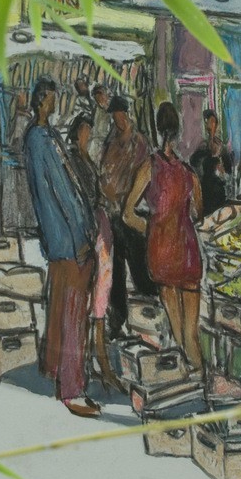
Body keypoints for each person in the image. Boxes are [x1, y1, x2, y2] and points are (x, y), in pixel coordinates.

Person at [22, 78, 99, 418]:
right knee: (73, 313)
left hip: (58, 237)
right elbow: (62, 193)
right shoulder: (41, 139)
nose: (55, 103)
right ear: (42, 100)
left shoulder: (43, 135)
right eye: (52, 98)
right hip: (67, 238)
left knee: (60, 307)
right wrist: (82, 235)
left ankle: (53, 368)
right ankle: (72, 388)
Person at [123, 102, 203, 372]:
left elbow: (127, 214)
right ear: (178, 131)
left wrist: (152, 228)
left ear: (158, 130)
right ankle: (200, 377)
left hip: (163, 253)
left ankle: (185, 381)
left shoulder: (149, 167)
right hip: (188, 252)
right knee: (192, 335)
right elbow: (198, 212)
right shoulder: (189, 173)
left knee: (177, 332)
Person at [67, 114, 122, 391]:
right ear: (77, 132)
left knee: (102, 291)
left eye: (89, 129)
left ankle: (98, 359)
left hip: (100, 228)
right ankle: (97, 361)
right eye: (85, 130)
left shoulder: (86, 159)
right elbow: (83, 198)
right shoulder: (74, 161)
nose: (88, 134)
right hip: (91, 230)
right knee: (96, 294)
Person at [98, 95, 155, 337]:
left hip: (131, 212)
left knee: (140, 269)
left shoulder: (139, 141)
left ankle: (148, 322)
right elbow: (104, 170)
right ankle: (117, 321)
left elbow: (145, 177)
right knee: (117, 270)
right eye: (113, 116)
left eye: (118, 115)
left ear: (125, 113)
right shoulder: (111, 141)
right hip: (113, 212)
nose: (116, 119)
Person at [187, 108, 233, 218]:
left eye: (213, 122)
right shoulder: (202, 147)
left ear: (216, 124)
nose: (211, 125)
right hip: (207, 191)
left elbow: (229, 171)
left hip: (220, 191)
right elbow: (194, 163)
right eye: (208, 122)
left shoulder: (222, 147)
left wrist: (223, 173)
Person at [88, 83, 113, 163]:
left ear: (106, 95)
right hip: (96, 142)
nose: (100, 101)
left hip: (107, 143)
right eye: (97, 99)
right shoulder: (96, 109)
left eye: (101, 97)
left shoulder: (112, 110)